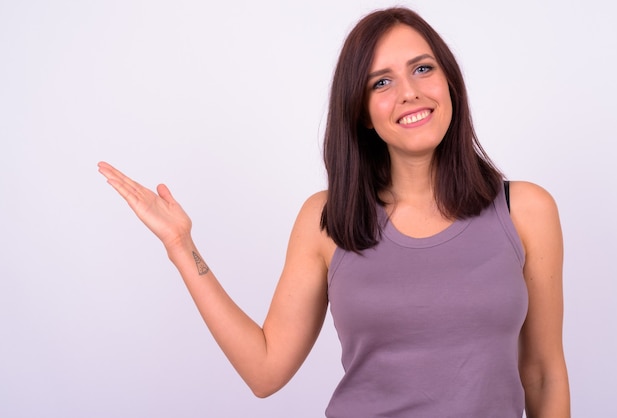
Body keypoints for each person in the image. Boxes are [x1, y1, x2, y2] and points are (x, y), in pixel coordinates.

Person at [98, 7, 570, 418]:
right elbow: (265, 371)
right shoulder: (327, 219)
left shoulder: (525, 210)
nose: (409, 92)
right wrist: (182, 247)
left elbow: (544, 375)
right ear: (363, 111)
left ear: (449, 81)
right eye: (381, 82)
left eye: (422, 69)